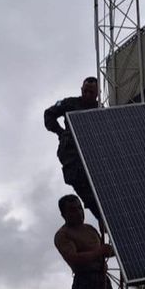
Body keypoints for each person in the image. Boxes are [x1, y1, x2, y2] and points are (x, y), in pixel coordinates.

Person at [45, 77, 102, 222]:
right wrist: (60, 132)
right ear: (81, 90)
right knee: (83, 187)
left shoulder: (100, 110)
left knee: (102, 191)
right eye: (85, 91)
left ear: (97, 93)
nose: (88, 94)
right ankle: (101, 217)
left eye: (91, 92)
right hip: (73, 154)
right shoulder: (70, 103)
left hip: (94, 155)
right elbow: (49, 113)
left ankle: (104, 219)